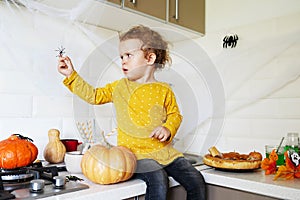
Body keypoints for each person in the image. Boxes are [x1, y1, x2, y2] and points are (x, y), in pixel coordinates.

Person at [57, 25, 206, 200]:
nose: (123, 61)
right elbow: (94, 96)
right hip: (134, 155)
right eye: (121, 57)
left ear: (150, 58)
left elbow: (174, 115)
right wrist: (71, 75)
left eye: (129, 55)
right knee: (158, 179)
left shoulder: (164, 90)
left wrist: (168, 128)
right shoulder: (119, 87)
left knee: (196, 180)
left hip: (165, 153)